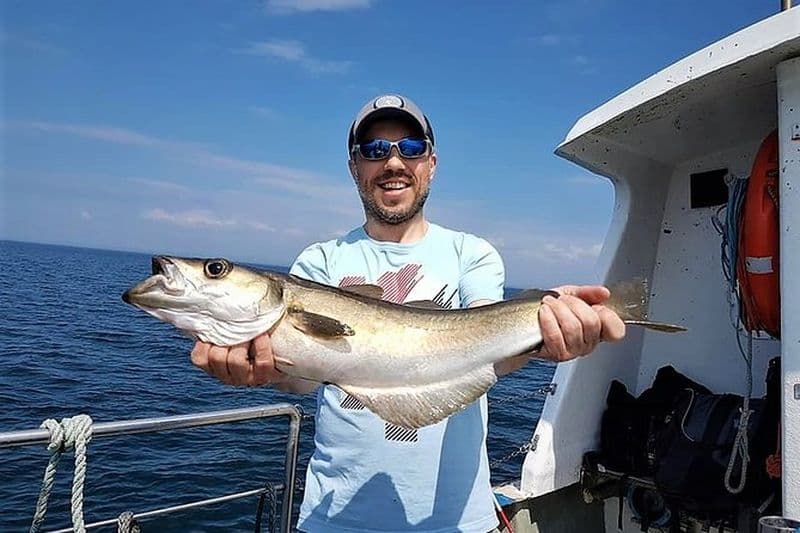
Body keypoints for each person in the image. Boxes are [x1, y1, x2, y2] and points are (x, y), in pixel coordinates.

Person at [190, 94, 626, 532]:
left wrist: (544, 330)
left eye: (410, 148)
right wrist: (262, 370)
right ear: (354, 167)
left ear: (431, 163)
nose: (394, 162)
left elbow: (490, 349)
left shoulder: (471, 254)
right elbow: (302, 377)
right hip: (335, 520)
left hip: (457, 521)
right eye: (375, 150)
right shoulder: (318, 261)